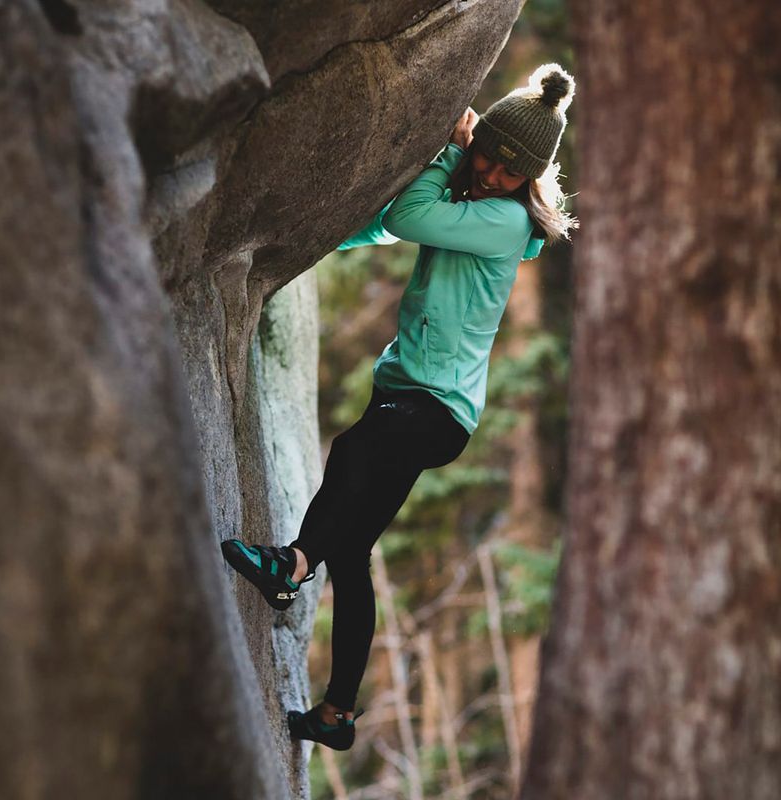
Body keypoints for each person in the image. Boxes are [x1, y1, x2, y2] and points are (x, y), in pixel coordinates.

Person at [221, 63, 577, 751]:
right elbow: (384, 228)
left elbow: (408, 217)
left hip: (433, 408)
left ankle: (292, 566)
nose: (492, 174)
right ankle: (336, 715)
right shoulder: (477, 207)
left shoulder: (504, 220)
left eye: (511, 171)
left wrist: (449, 152)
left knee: (352, 450)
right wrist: (313, 238)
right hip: (414, 400)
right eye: (488, 156)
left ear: (529, 179)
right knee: (353, 554)